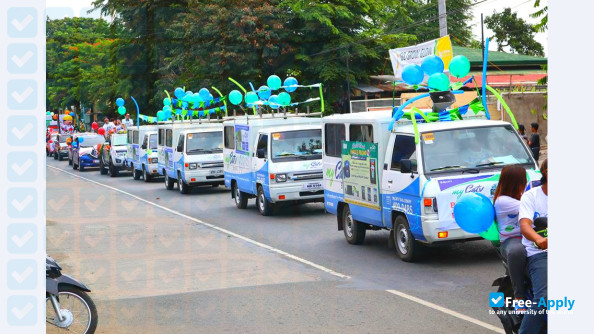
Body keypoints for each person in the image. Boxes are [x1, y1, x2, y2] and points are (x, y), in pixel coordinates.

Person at [519, 159, 548, 333]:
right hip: (540, 252)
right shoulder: (531, 196)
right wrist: (538, 239)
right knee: (544, 297)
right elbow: (525, 225)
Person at [493, 165, 528, 305]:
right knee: (517, 251)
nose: (525, 182)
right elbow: (533, 208)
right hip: (512, 240)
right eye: (523, 179)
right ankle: (519, 295)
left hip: (529, 238)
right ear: (515, 182)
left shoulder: (521, 197)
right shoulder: (503, 201)